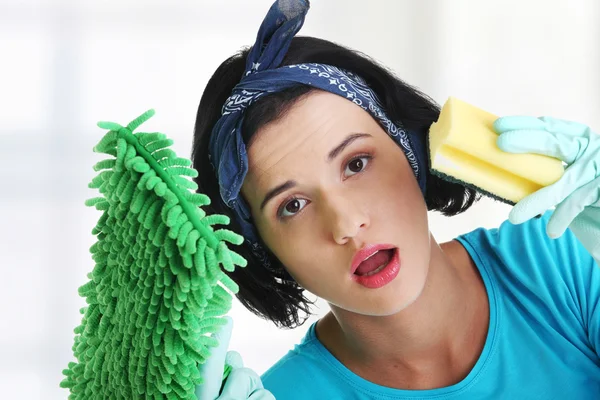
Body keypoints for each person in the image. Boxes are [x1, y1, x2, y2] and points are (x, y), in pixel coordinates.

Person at [193, 1, 600, 399]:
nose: (347, 224)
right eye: (293, 205)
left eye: (356, 164)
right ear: (263, 249)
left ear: (411, 151)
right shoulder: (279, 396)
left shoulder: (567, 257)